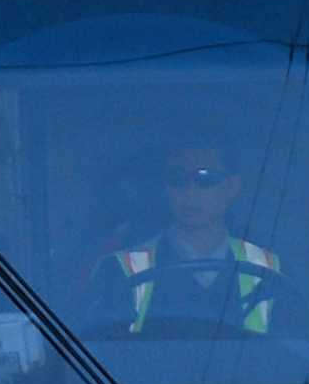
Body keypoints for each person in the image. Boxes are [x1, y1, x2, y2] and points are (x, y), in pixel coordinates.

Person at [104, 139, 286, 336]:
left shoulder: (270, 270)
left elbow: (295, 355)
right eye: (177, 178)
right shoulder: (122, 270)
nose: (191, 191)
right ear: (166, 187)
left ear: (234, 186)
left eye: (206, 178)